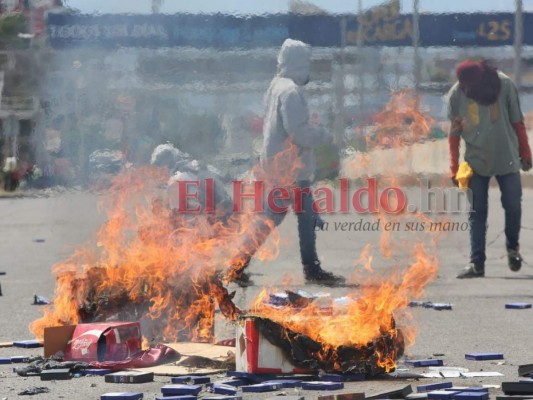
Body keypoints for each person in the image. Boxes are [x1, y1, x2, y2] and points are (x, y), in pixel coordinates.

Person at [228, 38, 346, 287]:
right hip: (290, 169)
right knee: (282, 218)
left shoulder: (275, 86)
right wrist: (323, 135)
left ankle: (238, 265)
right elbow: (299, 132)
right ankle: (310, 270)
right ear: (299, 63)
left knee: (292, 217)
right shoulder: (291, 91)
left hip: (279, 166)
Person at [447, 60, 532, 279]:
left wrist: (526, 152)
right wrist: (454, 167)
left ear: (481, 80)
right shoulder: (457, 94)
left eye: (469, 86)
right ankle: (477, 264)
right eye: (462, 85)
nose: (466, 90)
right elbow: (454, 134)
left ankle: (513, 249)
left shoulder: (504, 85)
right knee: (477, 212)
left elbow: (517, 122)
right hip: (476, 161)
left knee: (513, 205)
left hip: (507, 158)